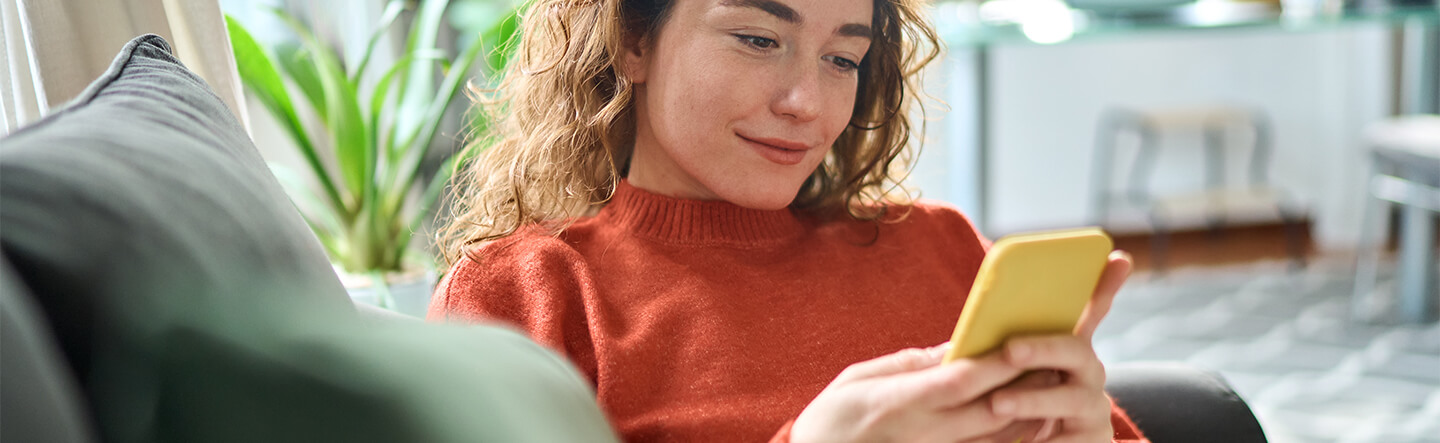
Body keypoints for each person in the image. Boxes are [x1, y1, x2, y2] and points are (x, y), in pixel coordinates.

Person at [429, 0, 1148, 441]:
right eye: (758, 39)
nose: (807, 100)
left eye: (842, 58)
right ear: (633, 39)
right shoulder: (525, 296)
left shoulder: (941, 247)